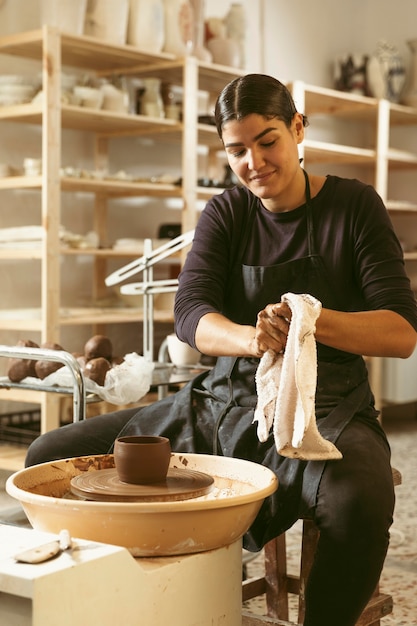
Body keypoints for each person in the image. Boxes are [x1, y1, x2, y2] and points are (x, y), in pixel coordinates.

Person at [26, 74, 417, 626]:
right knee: (49, 457)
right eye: (237, 149)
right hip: (221, 401)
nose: (254, 161)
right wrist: (252, 339)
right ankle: (126, 604)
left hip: (324, 409)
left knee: (362, 499)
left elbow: (401, 331)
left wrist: (312, 320)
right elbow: (190, 314)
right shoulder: (228, 213)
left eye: (268, 141)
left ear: (298, 129)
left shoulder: (353, 206)